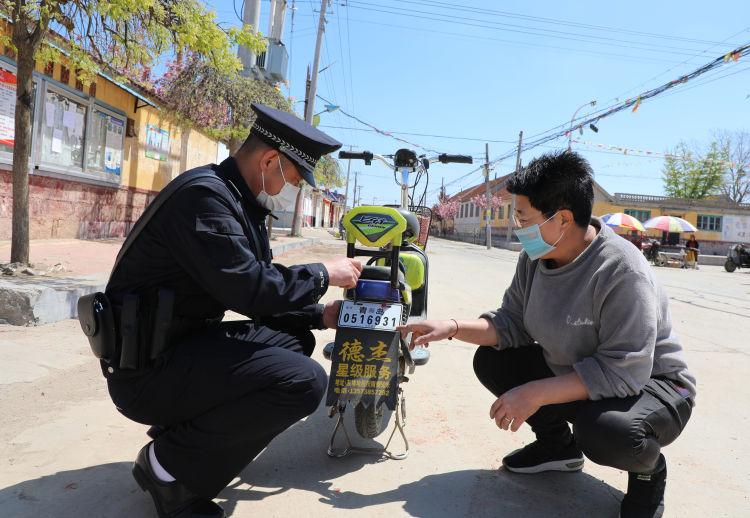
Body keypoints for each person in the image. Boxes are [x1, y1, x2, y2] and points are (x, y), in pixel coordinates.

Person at [400, 151, 696, 518]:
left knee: (607, 432)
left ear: (563, 218)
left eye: (523, 216)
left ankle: (649, 473)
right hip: (584, 371)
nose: (516, 224)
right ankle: (558, 448)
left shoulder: (621, 270)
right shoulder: (536, 257)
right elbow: (510, 323)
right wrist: (451, 327)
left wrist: (535, 393)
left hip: (653, 386)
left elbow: (625, 371)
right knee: (494, 360)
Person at [103, 104, 363, 518]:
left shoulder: (237, 201)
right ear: (269, 160)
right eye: (292, 178)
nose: (288, 189)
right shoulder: (204, 199)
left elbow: (260, 287)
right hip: (145, 372)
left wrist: (319, 315)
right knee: (304, 382)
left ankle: (181, 435)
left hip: (176, 347)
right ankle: (168, 471)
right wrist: (322, 273)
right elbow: (250, 290)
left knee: (293, 340)